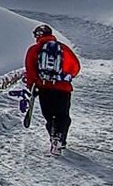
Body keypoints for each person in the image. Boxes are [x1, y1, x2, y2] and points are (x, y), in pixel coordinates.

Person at [24, 24, 80, 153]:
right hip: (63, 88)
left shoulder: (34, 49)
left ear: (38, 36)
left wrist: (33, 84)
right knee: (63, 115)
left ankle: (53, 137)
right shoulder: (63, 48)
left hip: (44, 88)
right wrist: (65, 77)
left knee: (50, 116)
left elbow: (30, 70)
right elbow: (75, 67)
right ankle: (60, 138)